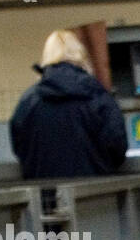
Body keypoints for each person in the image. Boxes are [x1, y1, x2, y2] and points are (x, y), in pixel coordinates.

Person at [10, 30, 128, 180]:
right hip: (96, 194)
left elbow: (20, 148)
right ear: (81, 55)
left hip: (43, 196)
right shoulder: (98, 96)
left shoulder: (28, 101)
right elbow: (117, 146)